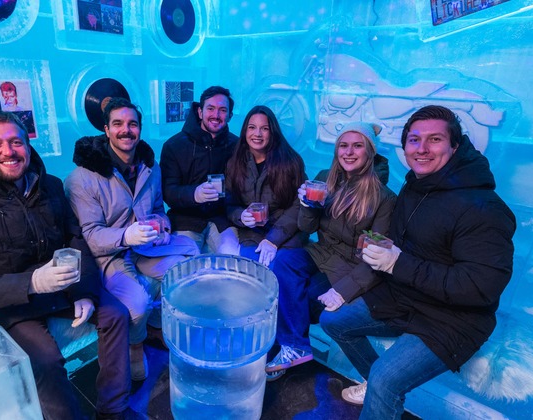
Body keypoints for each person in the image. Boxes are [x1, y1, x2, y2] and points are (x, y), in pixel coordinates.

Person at [0, 111, 131, 420]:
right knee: (45, 360)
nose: (9, 151)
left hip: (61, 286)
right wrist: (30, 283)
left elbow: (74, 238)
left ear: (28, 145)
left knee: (116, 315)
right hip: (12, 301)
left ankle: (114, 410)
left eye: (16, 142)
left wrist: (83, 290)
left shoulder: (50, 185)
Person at [320, 105, 516, 419]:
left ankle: (380, 389)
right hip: (405, 297)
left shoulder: (484, 208)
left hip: (452, 319)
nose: (422, 148)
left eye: (434, 139)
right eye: (414, 140)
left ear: (455, 146)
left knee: (386, 378)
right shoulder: (416, 185)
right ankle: (376, 387)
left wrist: (397, 264)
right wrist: (380, 250)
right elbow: (406, 245)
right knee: (333, 322)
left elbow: (480, 288)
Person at [65, 98, 197, 383]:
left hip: (143, 246)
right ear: (106, 130)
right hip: (108, 255)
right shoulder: (81, 178)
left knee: (187, 265)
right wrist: (126, 235)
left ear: (139, 128)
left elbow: (158, 208)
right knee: (137, 303)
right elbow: (90, 235)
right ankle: (135, 346)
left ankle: (156, 325)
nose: (126, 130)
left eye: (132, 124)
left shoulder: (150, 167)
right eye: (118, 124)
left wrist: (162, 223)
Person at [265, 122, 397, 381]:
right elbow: (308, 227)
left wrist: (343, 291)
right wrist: (307, 206)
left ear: (370, 151)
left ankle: (290, 347)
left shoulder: (385, 198)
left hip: (348, 266)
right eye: (343, 146)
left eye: (357, 146)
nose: (349, 152)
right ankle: (294, 346)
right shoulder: (326, 177)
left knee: (305, 299)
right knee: (283, 261)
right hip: (321, 253)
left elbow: (376, 259)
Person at [225, 105, 308, 267]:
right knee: (250, 269)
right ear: (245, 131)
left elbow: (299, 204)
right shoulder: (235, 163)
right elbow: (228, 202)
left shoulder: (291, 162)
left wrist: (273, 239)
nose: (257, 134)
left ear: (273, 132)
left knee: (280, 267)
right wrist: (241, 216)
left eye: (264, 128)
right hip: (251, 234)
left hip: (286, 233)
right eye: (252, 127)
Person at [160, 85, 240, 254]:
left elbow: (244, 187)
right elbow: (167, 191)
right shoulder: (174, 146)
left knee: (234, 258)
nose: (216, 115)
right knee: (185, 262)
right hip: (185, 219)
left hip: (222, 219)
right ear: (199, 111)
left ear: (230, 116)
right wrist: (194, 194)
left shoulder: (237, 146)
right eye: (210, 108)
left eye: (222, 110)